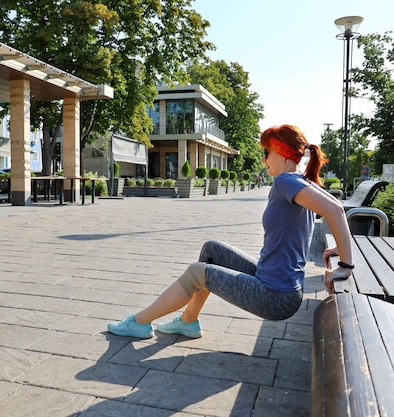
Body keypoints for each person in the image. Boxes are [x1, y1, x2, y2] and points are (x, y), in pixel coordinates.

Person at [107, 124, 354, 339]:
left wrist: (345, 265)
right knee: (211, 250)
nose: (263, 159)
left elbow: (336, 211)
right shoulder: (302, 182)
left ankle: (139, 322)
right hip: (276, 283)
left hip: (275, 295)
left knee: (197, 273)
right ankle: (188, 321)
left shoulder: (285, 181)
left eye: (265, 152)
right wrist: (337, 248)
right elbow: (334, 209)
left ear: (280, 152)